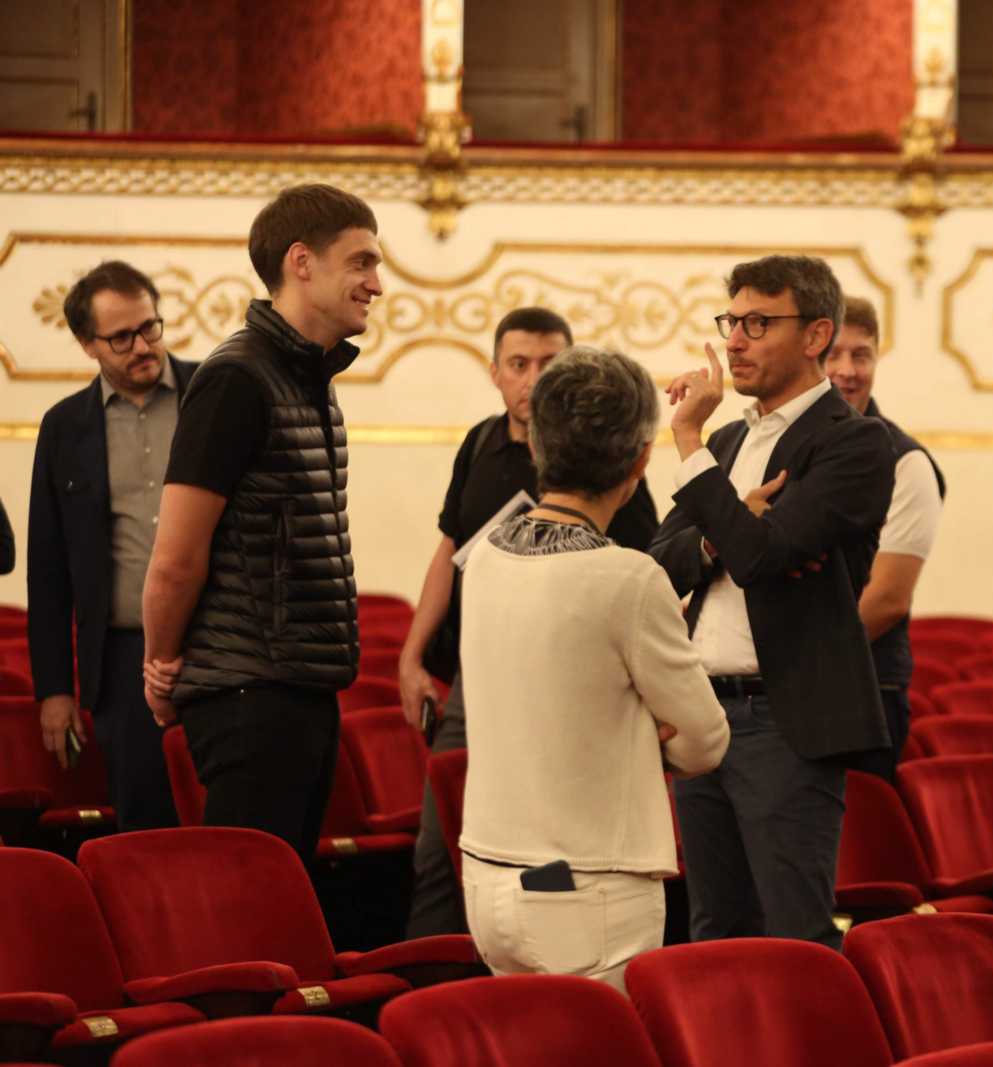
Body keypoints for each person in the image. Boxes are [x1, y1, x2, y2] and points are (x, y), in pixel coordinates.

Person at [457, 345, 729, 992]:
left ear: (538, 446)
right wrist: (634, 732)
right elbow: (704, 741)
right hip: (586, 886)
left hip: (487, 875)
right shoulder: (628, 578)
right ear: (639, 460)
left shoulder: (485, 555)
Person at [650, 254, 895, 949]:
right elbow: (657, 564)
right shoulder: (730, 441)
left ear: (816, 335)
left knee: (793, 936)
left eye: (758, 323)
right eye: (731, 322)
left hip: (783, 721)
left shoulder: (853, 442)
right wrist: (720, 536)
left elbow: (762, 558)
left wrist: (688, 442)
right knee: (714, 933)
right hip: (701, 713)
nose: (733, 342)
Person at [398, 306, 659, 938]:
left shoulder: (601, 460)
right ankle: (433, 983)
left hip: (566, 685)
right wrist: (411, 655)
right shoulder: (478, 445)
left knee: (543, 855)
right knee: (439, 849)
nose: (535, 379)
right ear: (495, 373)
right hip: (477, 676)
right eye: (519, 364)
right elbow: (449, 549)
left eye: (551, 364)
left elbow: (646, 567)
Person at [141, 183, 382, 863]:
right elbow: (175, 557)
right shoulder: (237, 379)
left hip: (298, 690)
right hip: (250, 698)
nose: (376, 284)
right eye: (361, 262)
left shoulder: (307, 379)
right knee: (246, 905)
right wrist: (161, 664)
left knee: (285, 900)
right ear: (301, 262)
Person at [27, 260, 196, 829]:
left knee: (226, 823)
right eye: (120, 337)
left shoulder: (212, 394)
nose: (142, 346)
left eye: (149, 327)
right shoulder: (63, 428)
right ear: (87, 344)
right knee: (145, 824)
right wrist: (55, 690)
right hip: (123, 660)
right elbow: (49, 572)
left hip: (219, 644)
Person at [822, 295, 944, 778]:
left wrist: (796, 669)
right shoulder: (779, 446)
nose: (847, 370)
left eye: (862, 355)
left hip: (865, 691)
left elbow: (888, 599)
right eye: (834, 354)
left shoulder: (906, 462)